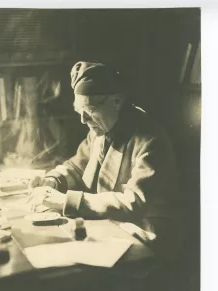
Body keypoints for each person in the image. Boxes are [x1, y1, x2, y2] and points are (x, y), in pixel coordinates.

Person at [29, 61, 182, 260]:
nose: (83, 120)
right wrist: (53, 180)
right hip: (109, 223)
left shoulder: (150, 140)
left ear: (117, 102)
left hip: (145, 231)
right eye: (78, 111)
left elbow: (132, 203)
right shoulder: (100, 129)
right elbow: (76, 166)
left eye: (90, 110)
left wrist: (65, 200)